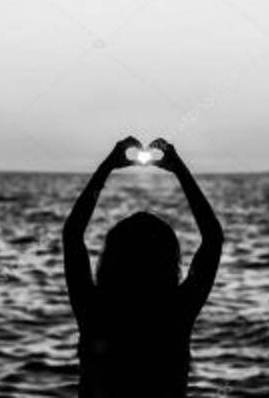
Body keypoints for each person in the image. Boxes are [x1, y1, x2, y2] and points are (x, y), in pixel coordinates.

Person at [63, 136, 224, 398]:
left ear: (112, 259)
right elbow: (213, 239)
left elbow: (72, 234)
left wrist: (108, 166)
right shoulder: (176, 312)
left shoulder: (94, 309)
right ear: (168, 260)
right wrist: (179, 170)